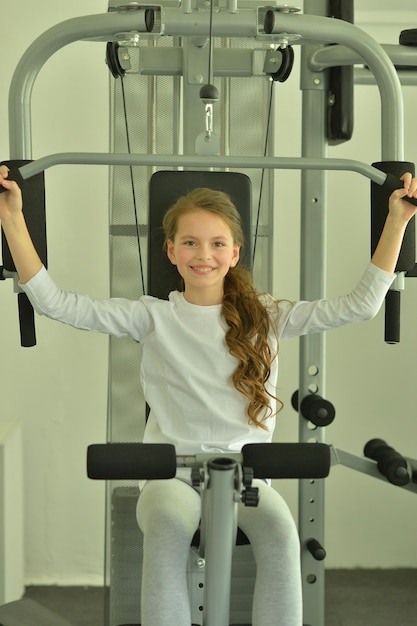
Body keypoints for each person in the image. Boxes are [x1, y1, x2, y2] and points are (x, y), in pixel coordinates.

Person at [1, 164, 417, 626]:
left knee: (280, 538)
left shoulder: (267, 317)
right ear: (171, 251)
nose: (204, 255)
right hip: (169, 477)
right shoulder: (151, 317)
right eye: (191, 243)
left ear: (235, 252)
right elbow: (55, 302)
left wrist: (397, 221)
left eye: (217, 243)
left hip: (248, 477)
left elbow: (361, 305)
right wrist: (12, 219)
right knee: (164, 533)